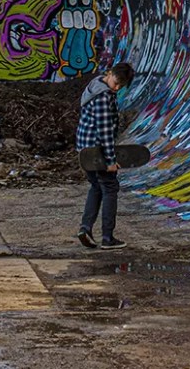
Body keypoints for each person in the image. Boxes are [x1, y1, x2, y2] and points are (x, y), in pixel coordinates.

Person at [76, 62, 135, 250]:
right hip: (97, 151)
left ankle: (85, 229)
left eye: (120, 86)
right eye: (116, 83)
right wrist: (110, 161)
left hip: (84, 148)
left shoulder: (96, 84)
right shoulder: (103, 96)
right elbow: (104, 131)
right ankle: (108, 238)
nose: (116, 88)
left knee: (96, 186)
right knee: (110, 187)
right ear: (110, 74)